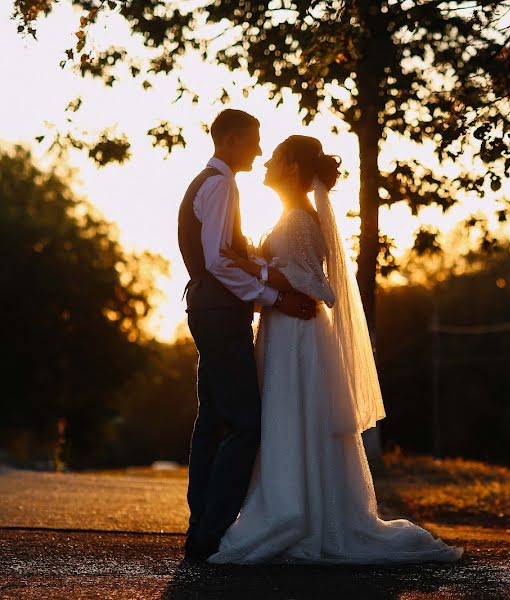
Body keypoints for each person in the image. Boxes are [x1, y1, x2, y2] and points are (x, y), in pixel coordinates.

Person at [207, 135, 462, 564]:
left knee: (292, 415)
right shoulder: (292, 216)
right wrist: (261, 267)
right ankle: (293, 504)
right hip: (285, 329)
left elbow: (312, 282)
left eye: (275, 157)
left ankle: (294, 514)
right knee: (286, 418)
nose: (266, 163)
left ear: (291, 168)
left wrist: (255, 266)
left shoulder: (301, 220)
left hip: (298, 335)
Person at [178, 110, 317, 560]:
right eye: (255, 140)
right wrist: (273, 299)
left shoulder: (208, 182)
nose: (259, 151)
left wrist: (258, 293)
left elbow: (219, 259)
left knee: (214, 421)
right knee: (244, 422)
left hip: (208, 307)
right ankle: (213, 531)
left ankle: (201, 527)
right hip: (218, 311)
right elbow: (219, 259)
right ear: (233, 139)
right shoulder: (220, 184)